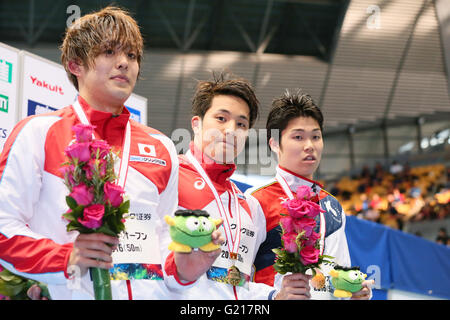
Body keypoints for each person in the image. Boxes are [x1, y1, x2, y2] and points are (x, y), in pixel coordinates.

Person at [0, 6, 218, 300]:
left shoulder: (162, 146)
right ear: (75, 64)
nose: (124, 63)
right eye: (109, 52)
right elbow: (4, 228)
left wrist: (184, 270)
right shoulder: (38, 132)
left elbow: (163, 237)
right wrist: (65, 258)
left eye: (131, 56)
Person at [163, 72, 310, 300]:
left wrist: (275, 297)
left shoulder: (250, 205)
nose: (231, 130)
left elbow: (239, 282)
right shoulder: (168, 175)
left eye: (241, 124)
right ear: (197, 124)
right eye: (221, 118)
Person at [245, 90, 373, 300]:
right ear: (274, 143)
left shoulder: (331, 205)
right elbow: (234, 280)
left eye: (316, 136)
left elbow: (340, 273)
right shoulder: (255, 200)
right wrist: (275, 297)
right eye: (298, 137)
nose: (309, 146)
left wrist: (353, 293)